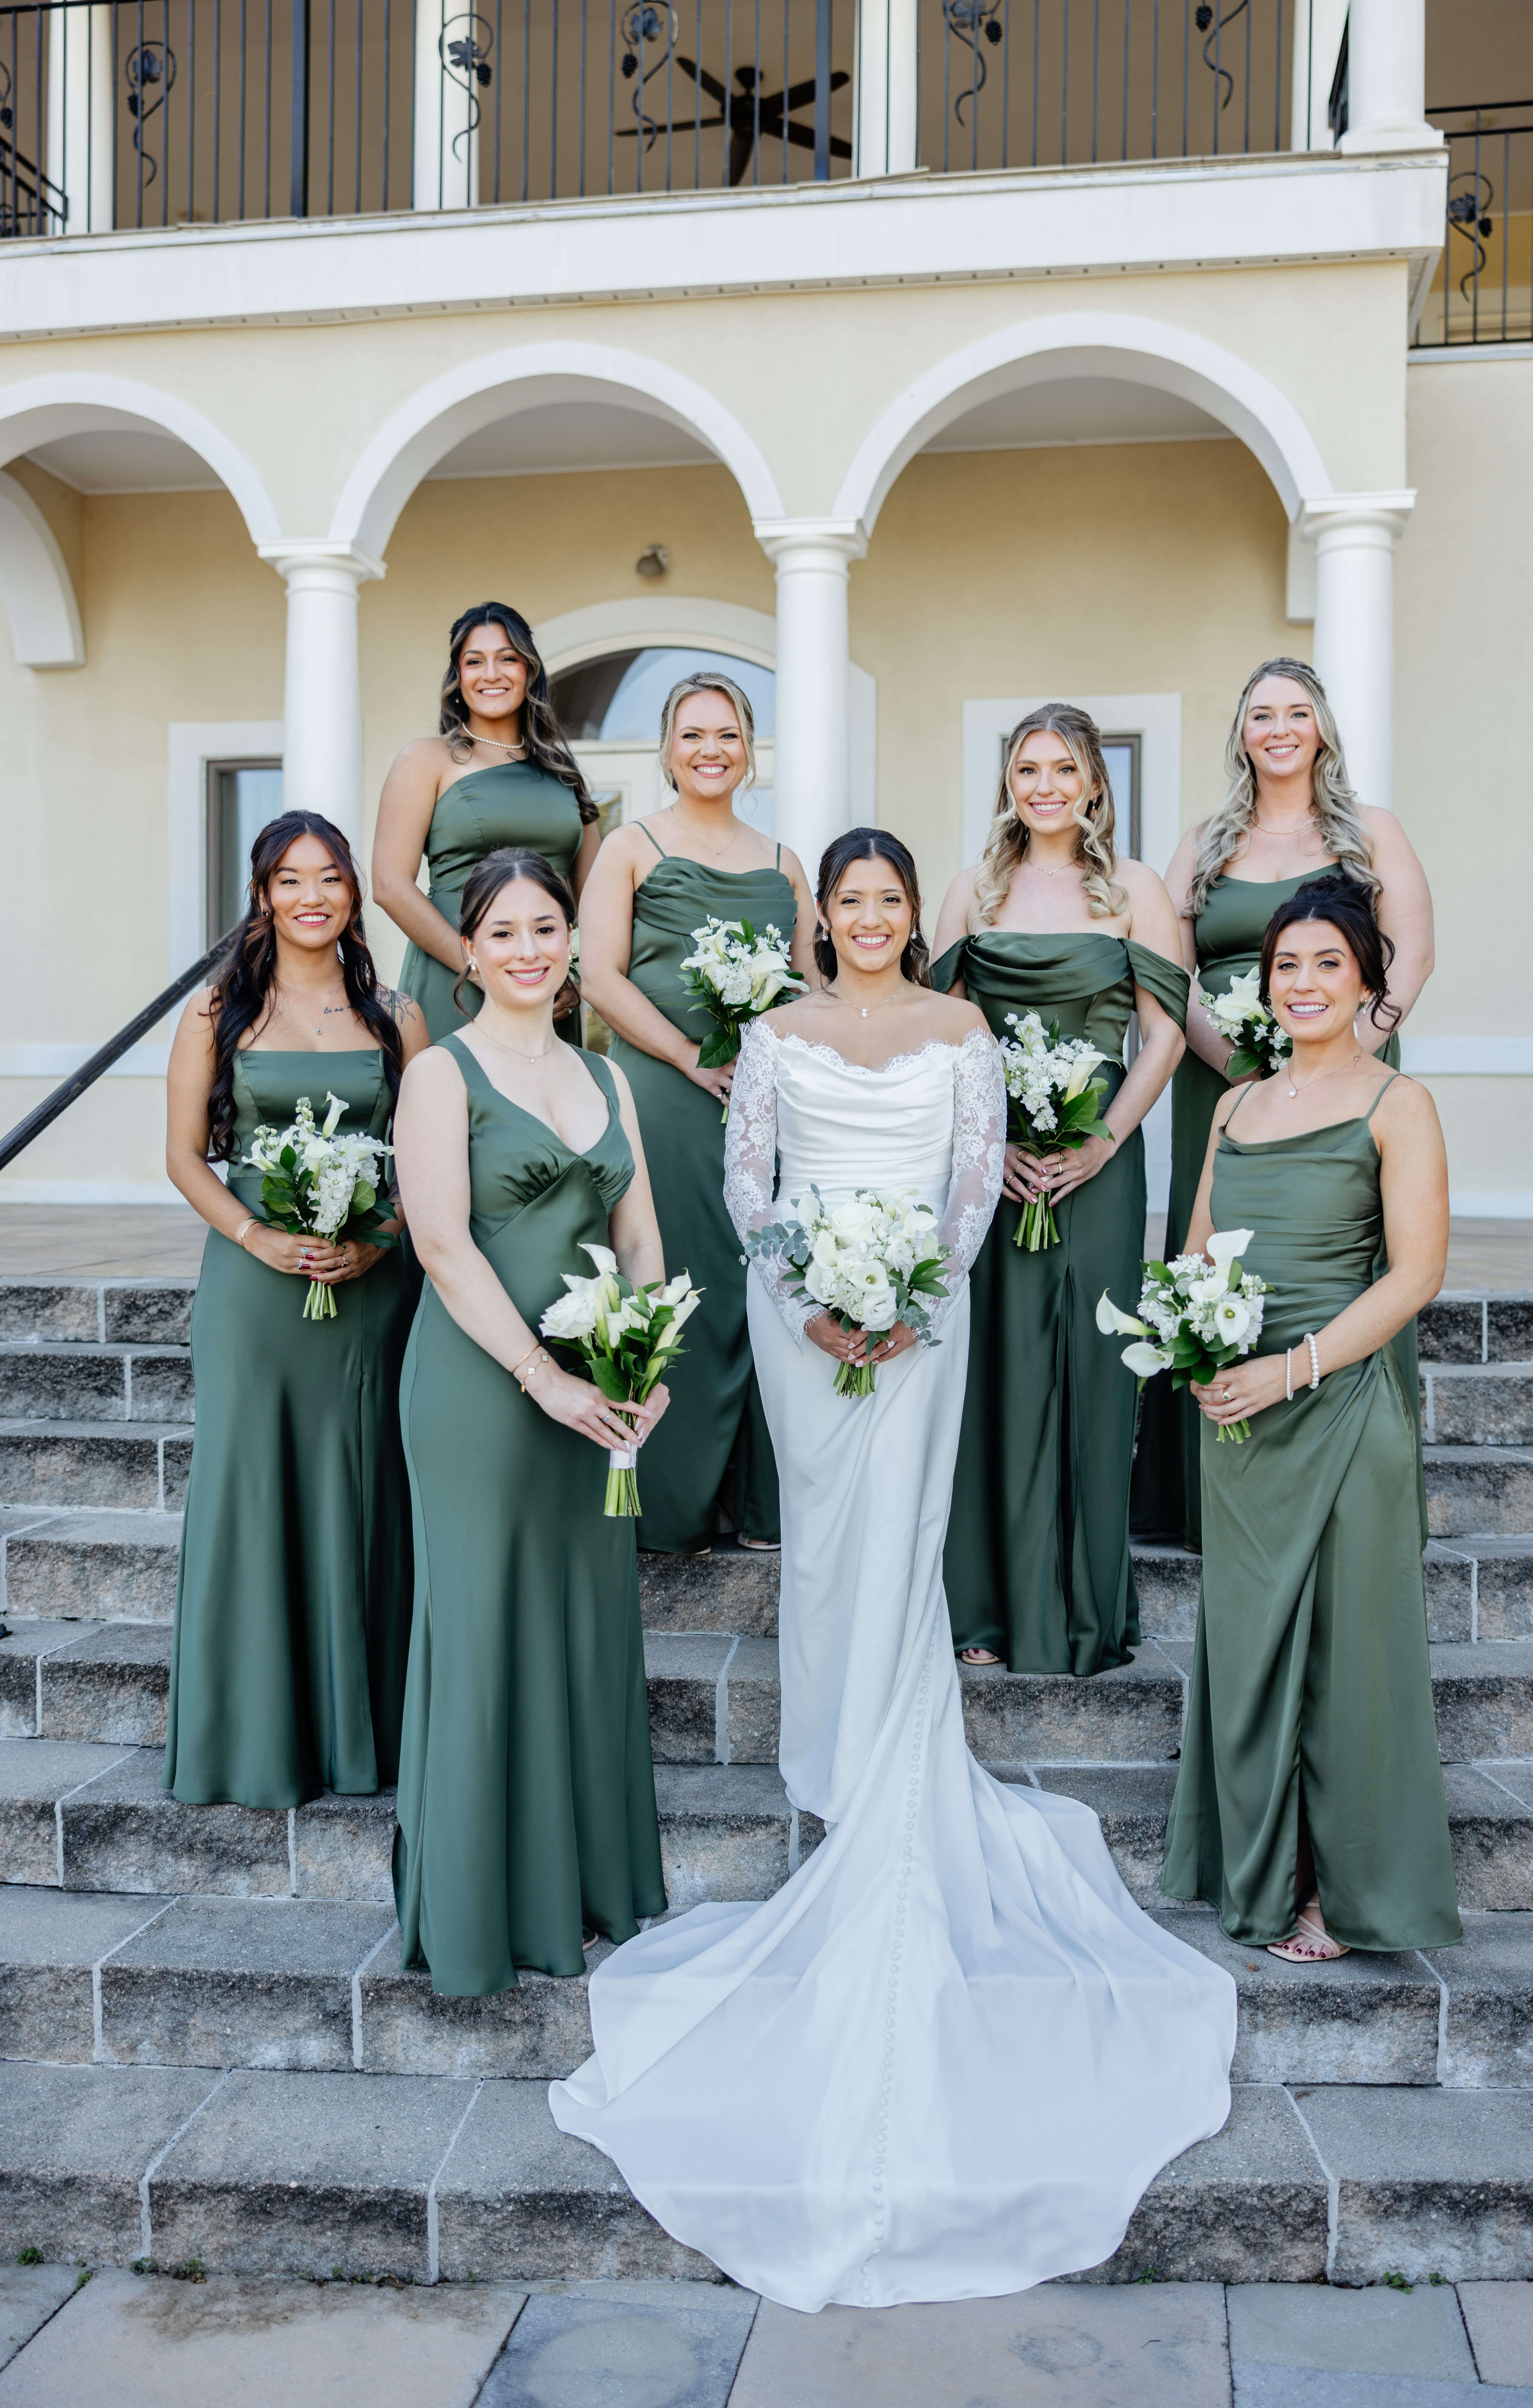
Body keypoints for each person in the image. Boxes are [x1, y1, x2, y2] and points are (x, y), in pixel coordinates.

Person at [550, 830, 1236, 2312]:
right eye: (848, 900)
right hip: (806, 1319)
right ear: (825, 919)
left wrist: (908, 1293)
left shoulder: (961, 1027)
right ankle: (826, 1746)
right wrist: (814, 1294)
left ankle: (890, 1747)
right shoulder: (778, 1032)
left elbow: (976, 1187)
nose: (869, 917)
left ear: (914, 916)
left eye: (887, 900)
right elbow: (748, 1188)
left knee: (906, 1529)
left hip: (925, 1317)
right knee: (828, 1533)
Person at [1164, 873, 1460, 1962]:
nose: (1299, 982)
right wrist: (1193, 1349)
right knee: (1249, 1654)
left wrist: (1288, 1369)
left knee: (1348, 1663)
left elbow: (1414, 1276)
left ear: (1369, 981)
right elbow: (1195, 1254)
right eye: (1283, 964)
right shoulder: (1237, 1104)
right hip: (1236, 1414)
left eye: (1326, 963)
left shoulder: (1398, 1104)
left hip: (1336, 1408)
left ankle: (1345, 1894)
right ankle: (1255, 1872)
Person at [391, 847, 669, 1994]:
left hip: (593, 1386)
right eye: (501, 930)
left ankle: (585, 1890)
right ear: (468, 948)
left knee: (581, 1631)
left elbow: (643, 1236)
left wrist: (646, 1359)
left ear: (570, 945)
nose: (526, 948)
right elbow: (442, 1245)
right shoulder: (442, 1076)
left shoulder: (609, 1080)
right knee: (486, 1631)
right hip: (480, 1389)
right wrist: (535, 1376)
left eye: (544, 927)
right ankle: (475, 1918)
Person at [1131, 657, 1434, 1553]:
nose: (1279, 729)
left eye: (1296, 712)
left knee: (1349, 1253)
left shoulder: (1371, 831)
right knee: (1216, 1248)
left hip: (1350, 1067)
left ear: (1323, 728)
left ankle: (1353, 1477)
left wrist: (1343, 1055)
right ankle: (1206, 1488)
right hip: (1222, 1081)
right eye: (1261, 715)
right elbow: (1170, 966)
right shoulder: (1206, 843)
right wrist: (1239, 1064)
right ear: (1241, 734)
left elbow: (1411, 954)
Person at [163, 812, 427, 1808]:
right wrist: (256, 1237)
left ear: (355, 894)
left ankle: (367, 1736)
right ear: (262, 895)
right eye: (288, 880)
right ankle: (254, 1742)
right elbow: (186, 1155)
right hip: (254, 1291)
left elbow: (429, 1158)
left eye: (329, 879)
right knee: (256, 1492)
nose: (311, 897)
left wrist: (379, 1238)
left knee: (364, 1494)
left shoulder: (397, 1017)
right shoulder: (218, 1009)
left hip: (370, 1290)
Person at [932, 705, 1186, 1673]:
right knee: (997, 1372)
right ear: (1010, 783)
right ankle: (989, 1612)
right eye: (1027, 768)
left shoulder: (1134, 890)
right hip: (992, 1170)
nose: (1044, 786)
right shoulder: (973, 890)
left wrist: (1106, 1141)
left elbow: (1164, 1032)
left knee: (1091, 1372)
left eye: (1063, 769)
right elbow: (946, 1034)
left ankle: (1085, 1611)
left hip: (1100, 1170)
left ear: (1093, 785)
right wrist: (985, 1144)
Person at [577, 670, 815, 1556]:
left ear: (750, 751)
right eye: (693, 734)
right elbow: (597, 974)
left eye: (728, 735)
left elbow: (809, 987)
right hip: (661, 1100)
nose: (710, 750)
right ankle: (668, 1498)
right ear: (668, 750)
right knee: (672, 1278)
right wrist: (690, 1059)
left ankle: (754, 1501)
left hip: (761, 1107)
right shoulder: (632, 846)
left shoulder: (786, 862)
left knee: (758, 1279)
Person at [372, 602, 599, 1044]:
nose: (491, 673)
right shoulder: (427, 759)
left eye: (507, 659)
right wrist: (477, 966)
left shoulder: (564, 774)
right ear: (459, 677)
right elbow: (389, 885)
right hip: (455, 982)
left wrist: (568, 972)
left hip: (544, 984)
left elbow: (593, 902)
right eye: (475, 661)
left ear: (530, 671)